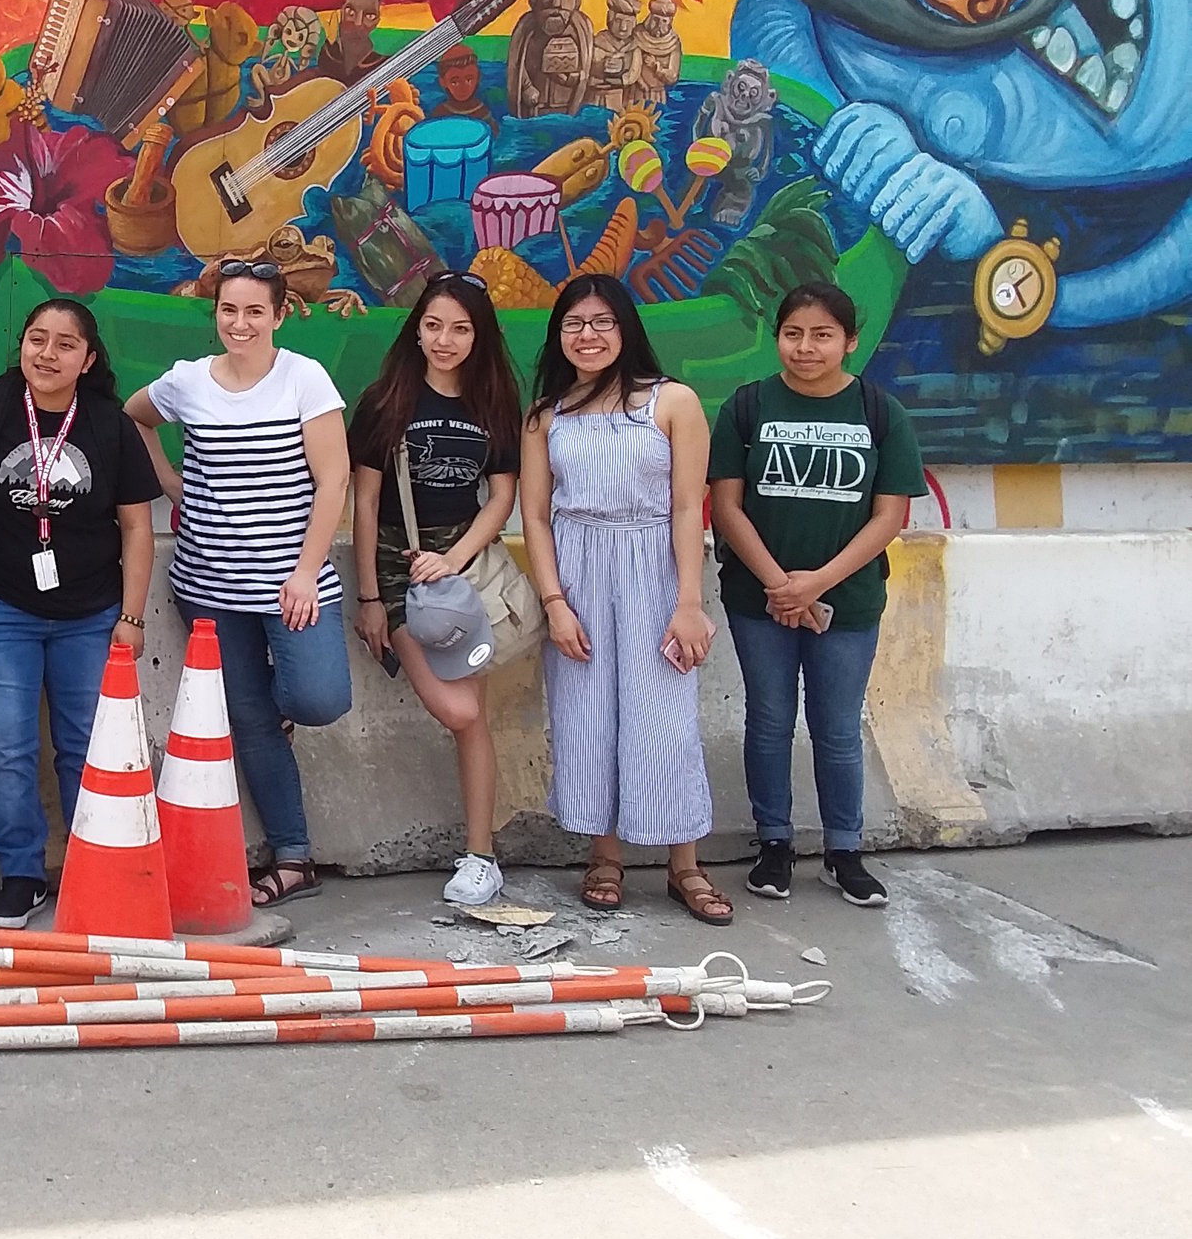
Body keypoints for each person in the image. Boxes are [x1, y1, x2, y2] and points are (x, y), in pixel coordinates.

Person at [0, 298, 157, 928]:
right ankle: (21, 873)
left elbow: (137, 526)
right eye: (36, 339)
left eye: (64, 344)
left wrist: (131, 617)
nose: (47, 354)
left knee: (85, 748)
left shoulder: (109, 425)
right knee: (8, 747)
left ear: (88, 358)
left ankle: (92, 867)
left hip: (90, 612)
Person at [126, 262, 352, 908]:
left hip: (291, 583)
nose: (240, 323)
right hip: (209, 583)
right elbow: (135, 416)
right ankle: (293, 856)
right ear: (215, 313)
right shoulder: (187, 382)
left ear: (280, 314)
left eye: (255, 311)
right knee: (249, 719)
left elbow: (332, 480)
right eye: (229, 310)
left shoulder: (304, 378)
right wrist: (169, 480)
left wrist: (306, 570)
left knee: (317, 697)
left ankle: (277, 712)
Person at [519, 276, 728, 925]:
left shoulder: (673, 402)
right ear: (558, 335)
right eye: (574, 322)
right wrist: (554, 602)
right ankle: (603, 856)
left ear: (626, 328)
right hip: (579, 577)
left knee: (664, 720)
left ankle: (685, 864)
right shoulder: (546, 416)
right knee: (588, 720)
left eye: (602, 321)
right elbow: (535, 516)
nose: (588, 334)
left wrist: (690, 602)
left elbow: (690, 506)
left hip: (655, 574)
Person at [710, 282, 922, 909]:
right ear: (777, 337)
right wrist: (780, 584)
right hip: (760, 601)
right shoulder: (746, 408)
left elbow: (889, 516)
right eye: (794, 333)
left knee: (836, 729)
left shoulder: (882, 412)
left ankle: (843, 851)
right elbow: (726, 505)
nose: (806, 347)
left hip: (848, 601)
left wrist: (816, 583)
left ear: (850, 342)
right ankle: (773, 843)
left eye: (823, 335)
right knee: (769, 722)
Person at [348, 272, 525, 907]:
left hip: (462, 568)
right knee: (457, 709)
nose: (444, 340)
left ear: (479, 336)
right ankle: (481, 854)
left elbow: (501, 496)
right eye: (433, 326)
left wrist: (453, 558)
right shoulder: (385, 401)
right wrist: (370, 596)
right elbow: (363, 502)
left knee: (469, 720)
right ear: (416, 329)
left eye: (459, 328)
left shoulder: (494, 403)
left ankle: (481, 857)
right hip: (399, 564)